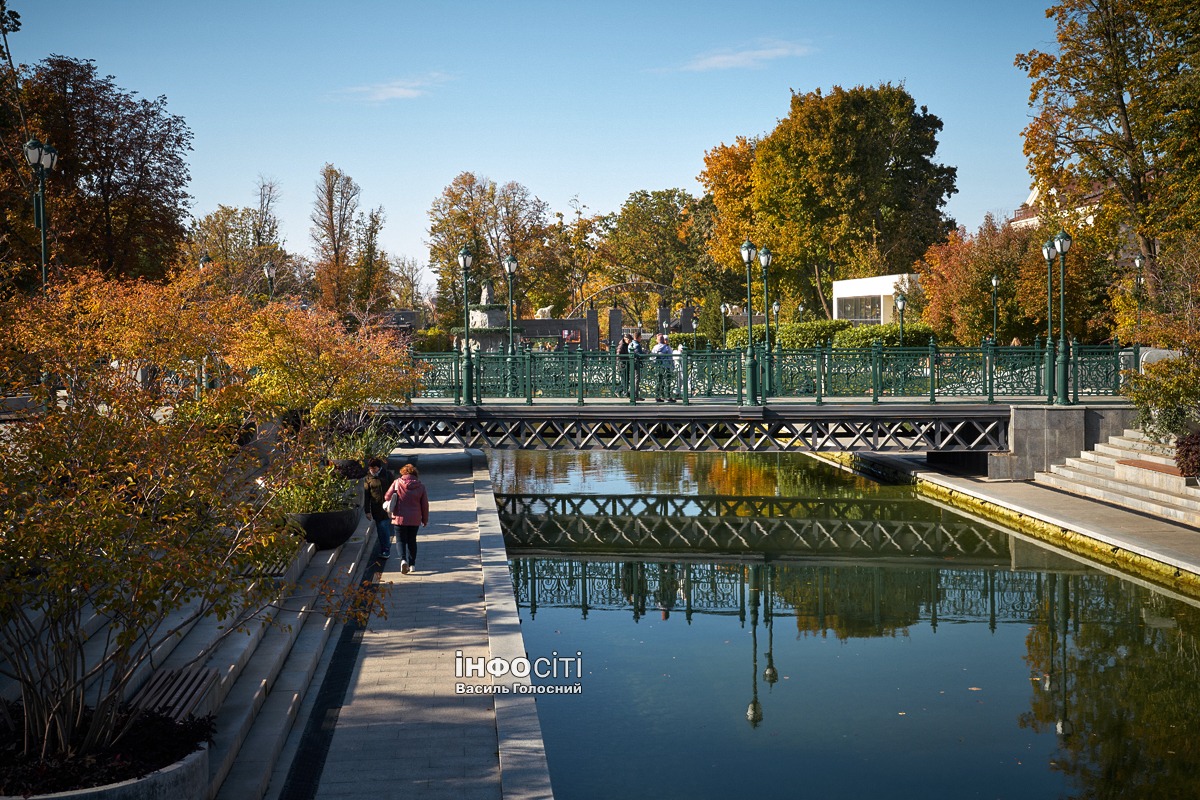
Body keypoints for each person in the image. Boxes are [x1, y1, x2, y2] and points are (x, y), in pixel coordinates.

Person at [384, 463, 429, 574]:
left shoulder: (397, 483)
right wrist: (425, 520)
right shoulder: (421, 486)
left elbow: (387, 497)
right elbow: (425, 505)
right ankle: (412, 564)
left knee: (400, 540)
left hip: (399, 517)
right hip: (415, 519)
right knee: (412, 540)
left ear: (403, 473)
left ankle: (403, 560)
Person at [363, 457, 394, 560]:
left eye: (374, 468)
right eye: (371, 468)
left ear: (379, 467)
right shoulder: (368, 478)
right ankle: (384, 548)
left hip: (387, 507)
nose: (373, 470)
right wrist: (367, 511)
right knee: (380, 530)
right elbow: (366, 495)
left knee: (384, 527)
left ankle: (386, 549)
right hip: (376, 507)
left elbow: (394, 490)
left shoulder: (387, 474)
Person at [651, 333, 676, 402]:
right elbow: (670, 358)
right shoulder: (667, 348)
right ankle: (668, 396)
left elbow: (652, 357)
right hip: (666, 366)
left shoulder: (655, 347)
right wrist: (672, 366)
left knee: (659, 381)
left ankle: (658, 396)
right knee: (667, 381)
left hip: (658, 366)